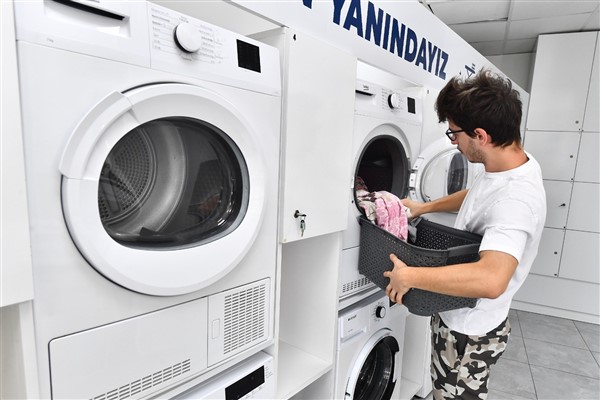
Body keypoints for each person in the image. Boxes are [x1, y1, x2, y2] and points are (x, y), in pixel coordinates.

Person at [383, 69, 546, 400]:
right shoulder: (510, 165)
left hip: (468, 332)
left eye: (454, 133)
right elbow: (478, 195)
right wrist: (423, 207)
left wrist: (409, 276)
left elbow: (491, 280)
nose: (452, 141)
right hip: (460, 315)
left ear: (481, 135)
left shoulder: (516, 201)